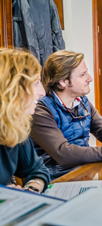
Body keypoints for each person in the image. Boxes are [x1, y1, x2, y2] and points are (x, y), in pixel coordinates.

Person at [30, 50, 102, 179]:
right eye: (83, 75)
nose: (90, 78)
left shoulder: (82, 101)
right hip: (56, 179)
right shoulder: (40, 110)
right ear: (63, 82)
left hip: (85, 171)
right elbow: (63, 153)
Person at [0, 48, 50, 193]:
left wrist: (31, 190)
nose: (42, 92)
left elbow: (37, 170)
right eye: (35, 83)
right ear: (12, 88)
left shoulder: (13, 124)